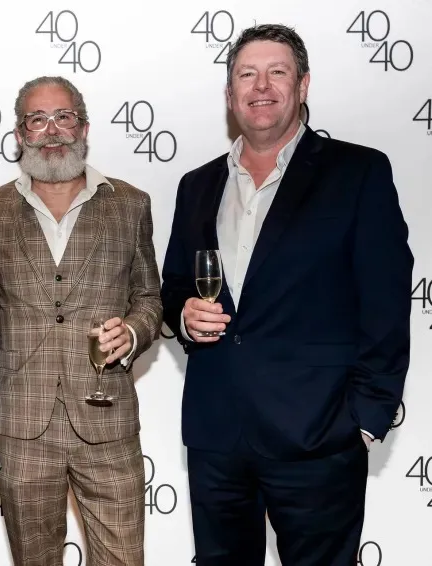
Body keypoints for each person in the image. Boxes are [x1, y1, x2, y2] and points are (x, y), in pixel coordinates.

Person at [161, 24, 412, 565]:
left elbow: (387, 305)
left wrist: (364, 423)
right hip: (216, 436)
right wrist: (183, 313)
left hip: (319, 438)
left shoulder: (358, 172)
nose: (261, 86)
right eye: (246, 75)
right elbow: (175, 284)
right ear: (230, 95)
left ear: (302, 86)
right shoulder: (196, 185)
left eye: (278, 72)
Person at [0, 76, 162, 566]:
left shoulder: (130, 203)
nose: (52, 130)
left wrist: (136, 331)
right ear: (20, 134)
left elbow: (149, 296)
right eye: (37, 119)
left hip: (108, 418)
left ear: (83, 126)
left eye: (63, 117)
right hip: (22, 425)